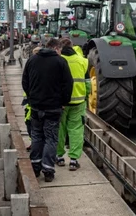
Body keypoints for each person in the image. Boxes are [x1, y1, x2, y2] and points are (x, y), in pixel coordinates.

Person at [22, 38, 73, 182]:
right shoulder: (61, 62)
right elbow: (68, 84)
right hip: (53, 108)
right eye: (60, 50)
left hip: (36, 107)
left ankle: (35, 166)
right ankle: (48, 170)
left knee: (37, 136)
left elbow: (25, 81)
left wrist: (32, 98)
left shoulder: (32, 60)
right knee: (51, 138)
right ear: (56, 48)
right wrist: (64, 102)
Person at [56, 38, 89, 171]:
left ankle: (59, 157)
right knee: (76, 130)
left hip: (61, 102)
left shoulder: (58, 60)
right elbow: (87, 82)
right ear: (73, 46)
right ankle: (74, 160)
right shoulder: (82, 61)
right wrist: (86, 95)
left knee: (59, 129)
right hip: (79, 102)